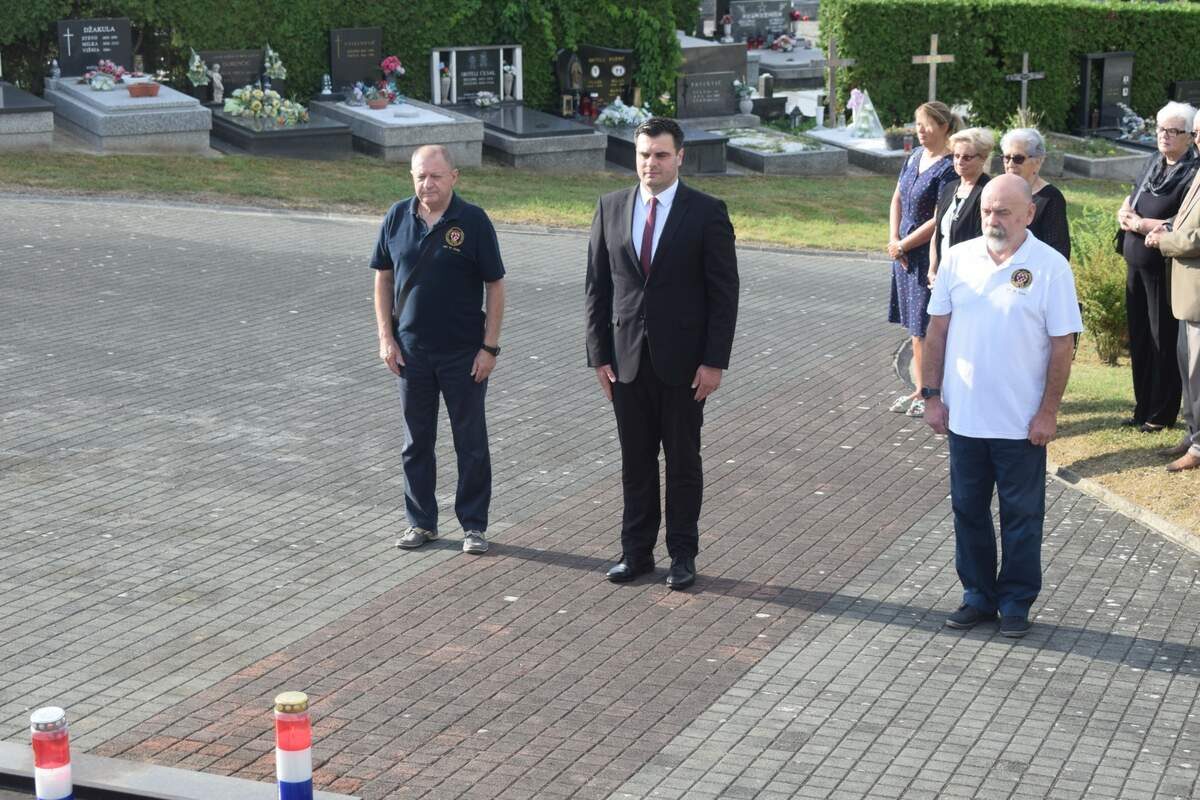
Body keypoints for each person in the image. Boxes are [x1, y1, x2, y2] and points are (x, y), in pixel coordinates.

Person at [922, 174, 1083, 638]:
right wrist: (931, 396)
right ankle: (977, 596)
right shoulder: (958, 258)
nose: (993, 219)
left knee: (1022, 518)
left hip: (1021, 424)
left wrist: (1048, 412)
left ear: (1029, 214)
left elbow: (1062, 346)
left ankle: (1015, 602)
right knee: (968, 511)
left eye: (1004, 212)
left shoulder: (1050, 266)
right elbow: (937, 331)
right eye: (988, 211)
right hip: (965, 419)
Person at [585, 116, 739, 591]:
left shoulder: (707, 211)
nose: (650, 163)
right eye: (643, 155)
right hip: (626, 361)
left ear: (680, 157)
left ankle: (682, 555)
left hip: (685, 365)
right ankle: (635, 553)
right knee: (636, 461)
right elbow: (597, 287)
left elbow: (724, 294)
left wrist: (714, 362)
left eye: (661, 155)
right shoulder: (611, 207)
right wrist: (598, 356)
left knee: (682, 462)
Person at [371, 144, 506, 555]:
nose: (427, 184)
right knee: (416, 442)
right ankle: (421, 522)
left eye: (435, 176)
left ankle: (474, 526)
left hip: (463, 354)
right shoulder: (397, 216)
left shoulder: (473, 221)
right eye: (420, 176)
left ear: (454, 177)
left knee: (470, 442)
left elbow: (495, 286)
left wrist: (489, 348)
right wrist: (386, 338)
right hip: (411, 353)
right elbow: (383, 279)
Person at [1117, 102, 1199, 433]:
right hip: (1136, 262)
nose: (1164, 135)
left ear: (1189, 136)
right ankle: (1142, 406)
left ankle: (1161, 412)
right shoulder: (1154, 161)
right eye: (1161, 129)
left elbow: (1179, 223)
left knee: (1161, 339)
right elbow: (1135, 197)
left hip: (1165, 268)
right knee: (1139, 338)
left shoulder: (1193, 171)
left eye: (1174, 131)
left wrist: (1139, 224)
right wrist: (1124, 212)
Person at [887, 101, 960, 417]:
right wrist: (894, 240)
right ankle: (920, 388)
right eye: (918, 124)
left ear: (944, 127)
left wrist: (904, 244)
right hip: (902, 255)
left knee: (925, 327)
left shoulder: (949, 166)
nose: (920, 130)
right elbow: (897, 198)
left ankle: (928, 390)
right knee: (913, 327)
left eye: (927, 125)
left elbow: (939, 216)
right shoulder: (914, 156)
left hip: (925, 254)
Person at [1144, 111, 1200, 472]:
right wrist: (1166, 226)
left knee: (1198, 373)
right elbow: (1185, 219)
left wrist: (1165, 241)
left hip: (1198, 294)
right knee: (1188, 370)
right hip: (1186, 293)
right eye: (1197, 134)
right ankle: (1192, 432)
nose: (1198, 140)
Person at [929, 126, 993, 283]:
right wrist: (932, 269)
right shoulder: (949, 188)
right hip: (943, 273)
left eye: (967, 158)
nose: (959, 162)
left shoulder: (988, 191)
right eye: (956, 156)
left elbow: (987, 241)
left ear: (983, 158)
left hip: (971, 277)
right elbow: (937, 232)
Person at [1000, 128, 1070, 260]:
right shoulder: (999, 191)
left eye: (1018, 158)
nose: (1010, 164)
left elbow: (1059, 252)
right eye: (1006, 158)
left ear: (1037, 161)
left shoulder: (1051, 198)